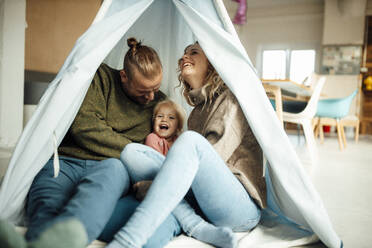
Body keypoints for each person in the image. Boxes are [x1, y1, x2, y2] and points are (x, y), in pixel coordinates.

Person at [0, 38, 181, 248]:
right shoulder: (99, 78)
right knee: (46, 204)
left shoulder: (160, 104)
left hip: (114, 166)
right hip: (65, 161)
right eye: (143, 92)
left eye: (155, 88)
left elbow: (153, 150)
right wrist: (131, 148)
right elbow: (84, 128)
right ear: (124, 76)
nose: (151, 97)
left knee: (93, 201)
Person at [106, 42, 266, 248]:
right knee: (131, 152)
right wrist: (165, 183)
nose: (184, 57)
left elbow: (210, 162)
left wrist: (155, 185)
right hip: (205, 205)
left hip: (240, 208)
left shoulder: (231, 100)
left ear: (213, 63)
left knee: (189, 141)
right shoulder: (198, 111)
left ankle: (128, 240)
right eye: (184, 53)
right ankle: (195, 226)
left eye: (193, 52)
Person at [121, 99, 235, 248]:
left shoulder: (183, 141)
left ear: (179, 127)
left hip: (184, 185)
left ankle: (195, 223)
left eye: (171, 117)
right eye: (159, 116)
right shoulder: (153, 139)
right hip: (166, 181)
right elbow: (163, 170)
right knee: (131, 152)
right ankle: (195, 226)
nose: (164, 120)